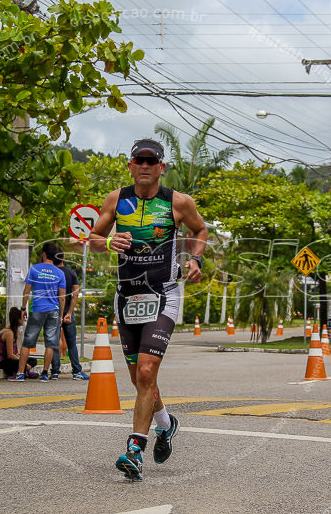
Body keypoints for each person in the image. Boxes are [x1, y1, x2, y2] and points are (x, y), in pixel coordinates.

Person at [88, 137, 207, 481]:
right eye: (138, 160)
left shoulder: (178, 202)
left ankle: (134, 451)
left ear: (161, 167)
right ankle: (166, 425)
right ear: (130, 165)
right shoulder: (116, 199)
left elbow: (200, 229)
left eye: (150, 161)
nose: (144, 165)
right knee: (139, 378)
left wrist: (196, 258)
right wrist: (110, 241)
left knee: (145, 372)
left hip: (163, 295)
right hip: (127, 297)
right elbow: (94, 240)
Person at [11, 242, 66, 382]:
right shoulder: (60, 273)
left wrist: (23, 308)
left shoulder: (34, 269)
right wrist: (61, 315)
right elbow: (62, 297)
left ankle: (20, 373)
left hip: (37, 310)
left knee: (27, 343)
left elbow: (27, 291)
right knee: (50, 344)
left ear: (44, 254)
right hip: (53, 311)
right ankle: (44, 374)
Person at [50, 254, 90, 380]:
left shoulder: (51, 273)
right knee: (72, 343)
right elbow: (75, 294)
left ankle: (55, 372)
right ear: (63, 259)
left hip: (53, 313)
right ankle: (77, 371)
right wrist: (69, 313)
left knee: (54, 343)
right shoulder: (71, 273)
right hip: (68, 314)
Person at [0, 307, 39, 379]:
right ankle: (23, 371)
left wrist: (23, 360)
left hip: (11, 359)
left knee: (33, 360)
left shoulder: (14, 331)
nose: (24, 319)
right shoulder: (9, 333)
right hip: (1, 362)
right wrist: (23, 362)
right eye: (23, 317)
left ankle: (24, 371)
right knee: (19, 363)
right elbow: (10, 355)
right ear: (17, 319)